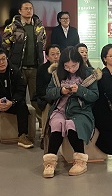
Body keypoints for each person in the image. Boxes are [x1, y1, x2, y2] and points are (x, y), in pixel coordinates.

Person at [42, 47, 99, 178]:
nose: (71, 69)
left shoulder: (90, 74)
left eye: (74, 66)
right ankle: (50, 162)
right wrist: (60, 91)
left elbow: (94, 96)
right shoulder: (57, 74)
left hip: (81, 111)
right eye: (67, 66)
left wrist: (79, 90)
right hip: (60, 108)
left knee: (72, 124)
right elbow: (48, 93)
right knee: (57, 123)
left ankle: (80, 161)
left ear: (80, 62)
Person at [3, 1, 46, 115]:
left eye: (30, 8)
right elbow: (5, 46)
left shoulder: (39, 27)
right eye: (26, 8)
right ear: (20, 11)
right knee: (18, 97)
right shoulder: (12, 27)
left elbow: (43, 44)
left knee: (36, 98)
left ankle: (41, 122)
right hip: (19, 68)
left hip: (35, 68)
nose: (29, 10)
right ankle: (21, 123)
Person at [34, 44, 61, 113]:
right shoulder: (42, 69)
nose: (56, 56)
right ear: (47, 57)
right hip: (47, 98)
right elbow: (40, 90)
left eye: (58, 54)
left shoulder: (65, 67)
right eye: (53, 54)